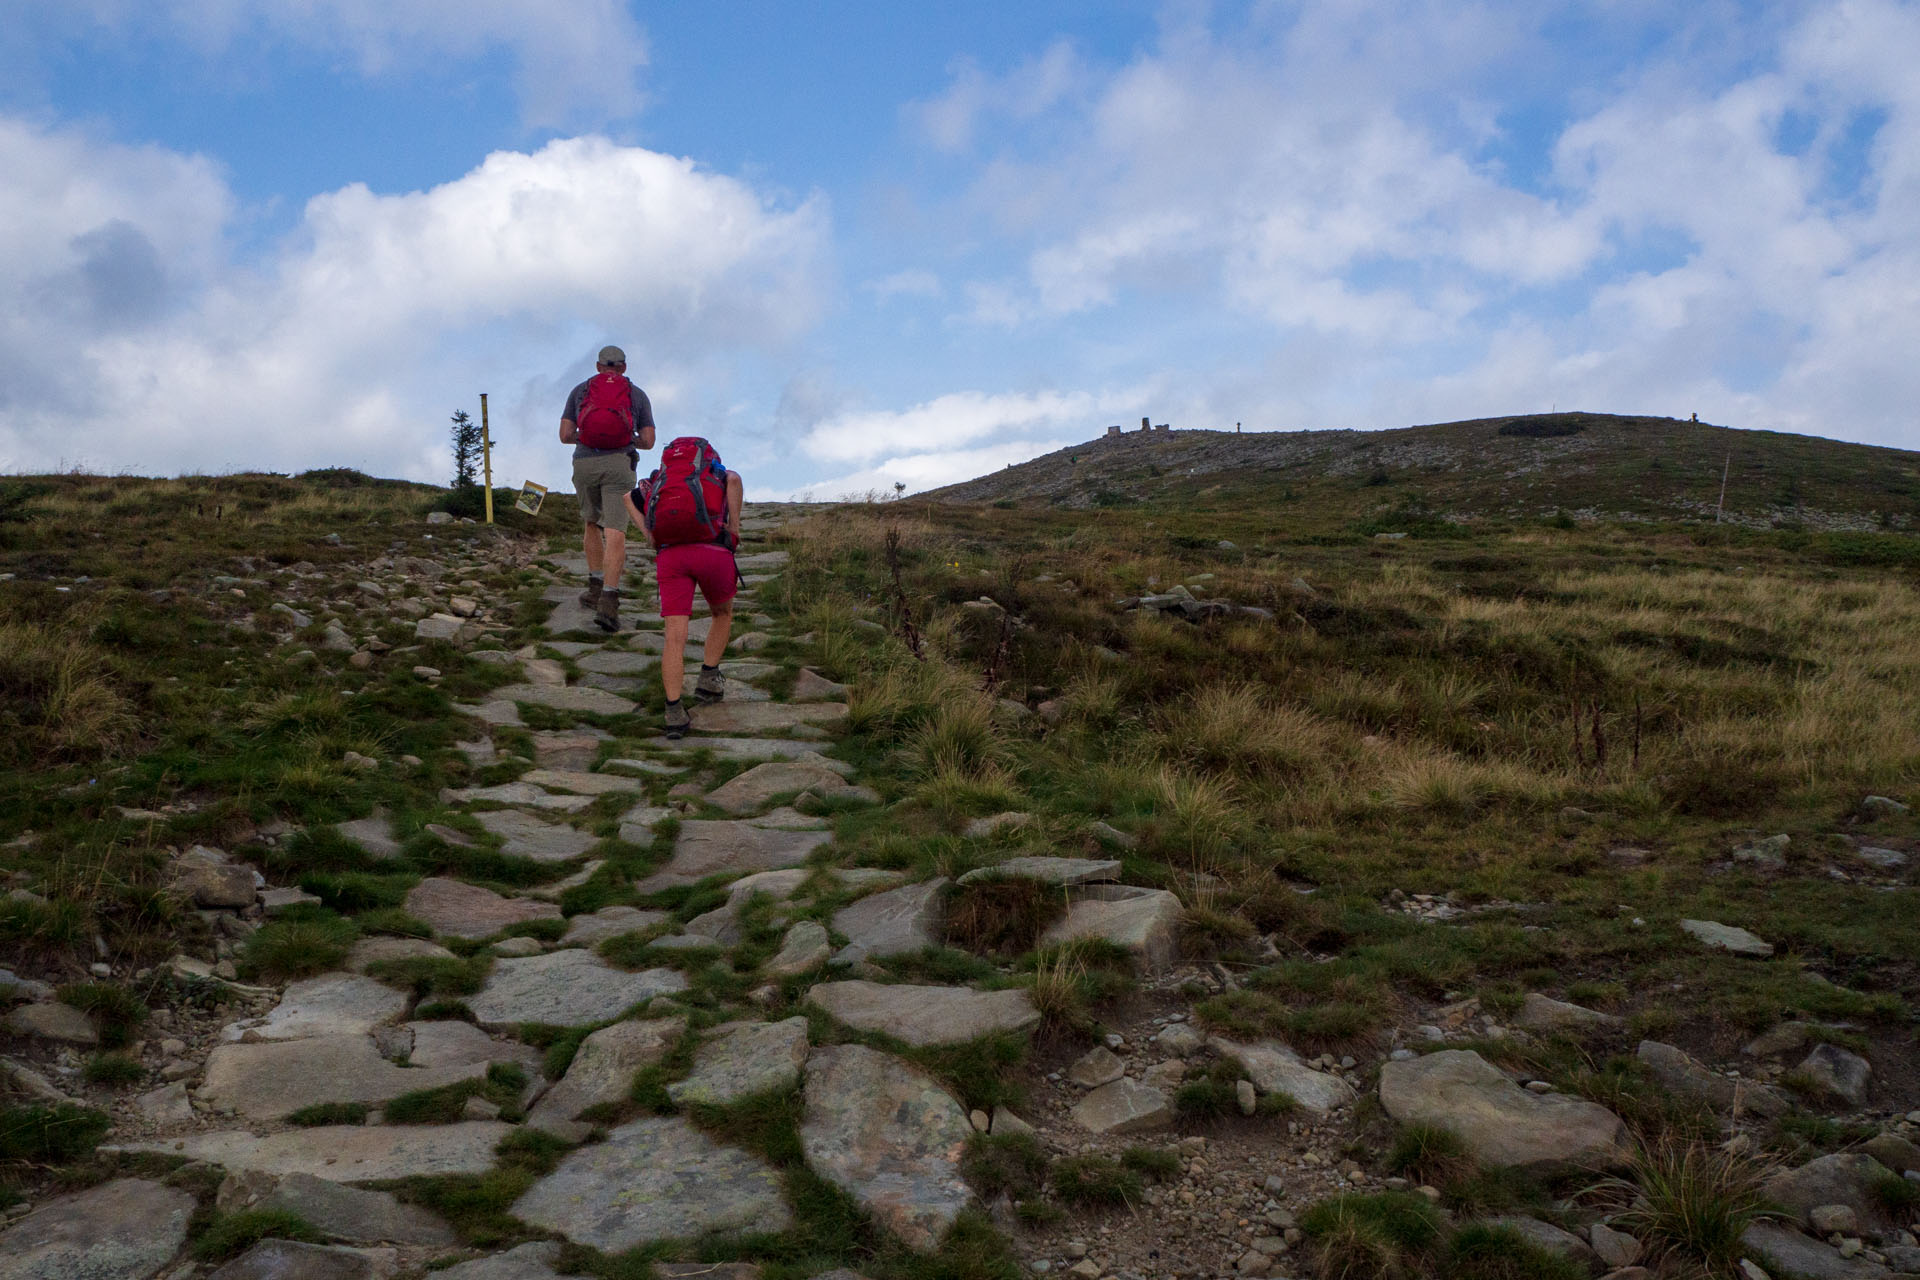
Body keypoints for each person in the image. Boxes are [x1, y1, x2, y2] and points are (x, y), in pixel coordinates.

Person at [623, 446, 744, 739]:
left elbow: (628, 497)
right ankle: (708, 675)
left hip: (672, 557)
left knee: (674, 635)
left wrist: (650, 535)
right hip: (713, 552)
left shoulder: (657, 481)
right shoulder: (718, 474)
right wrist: (734, 528)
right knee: (722, 612)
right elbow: (735, 481)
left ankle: (674, 710)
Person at [559, 345, 655, 631]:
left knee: (591, 523)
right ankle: (610, 601)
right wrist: (626, 438)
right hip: (619, 464)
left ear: (598, 366)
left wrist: (587, 436)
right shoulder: (636, 395)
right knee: (616, 532)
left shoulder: (580, 391)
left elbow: (565, 435)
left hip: (585, 462)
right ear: (624, 367)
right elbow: (649, 440)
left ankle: (594, 587)